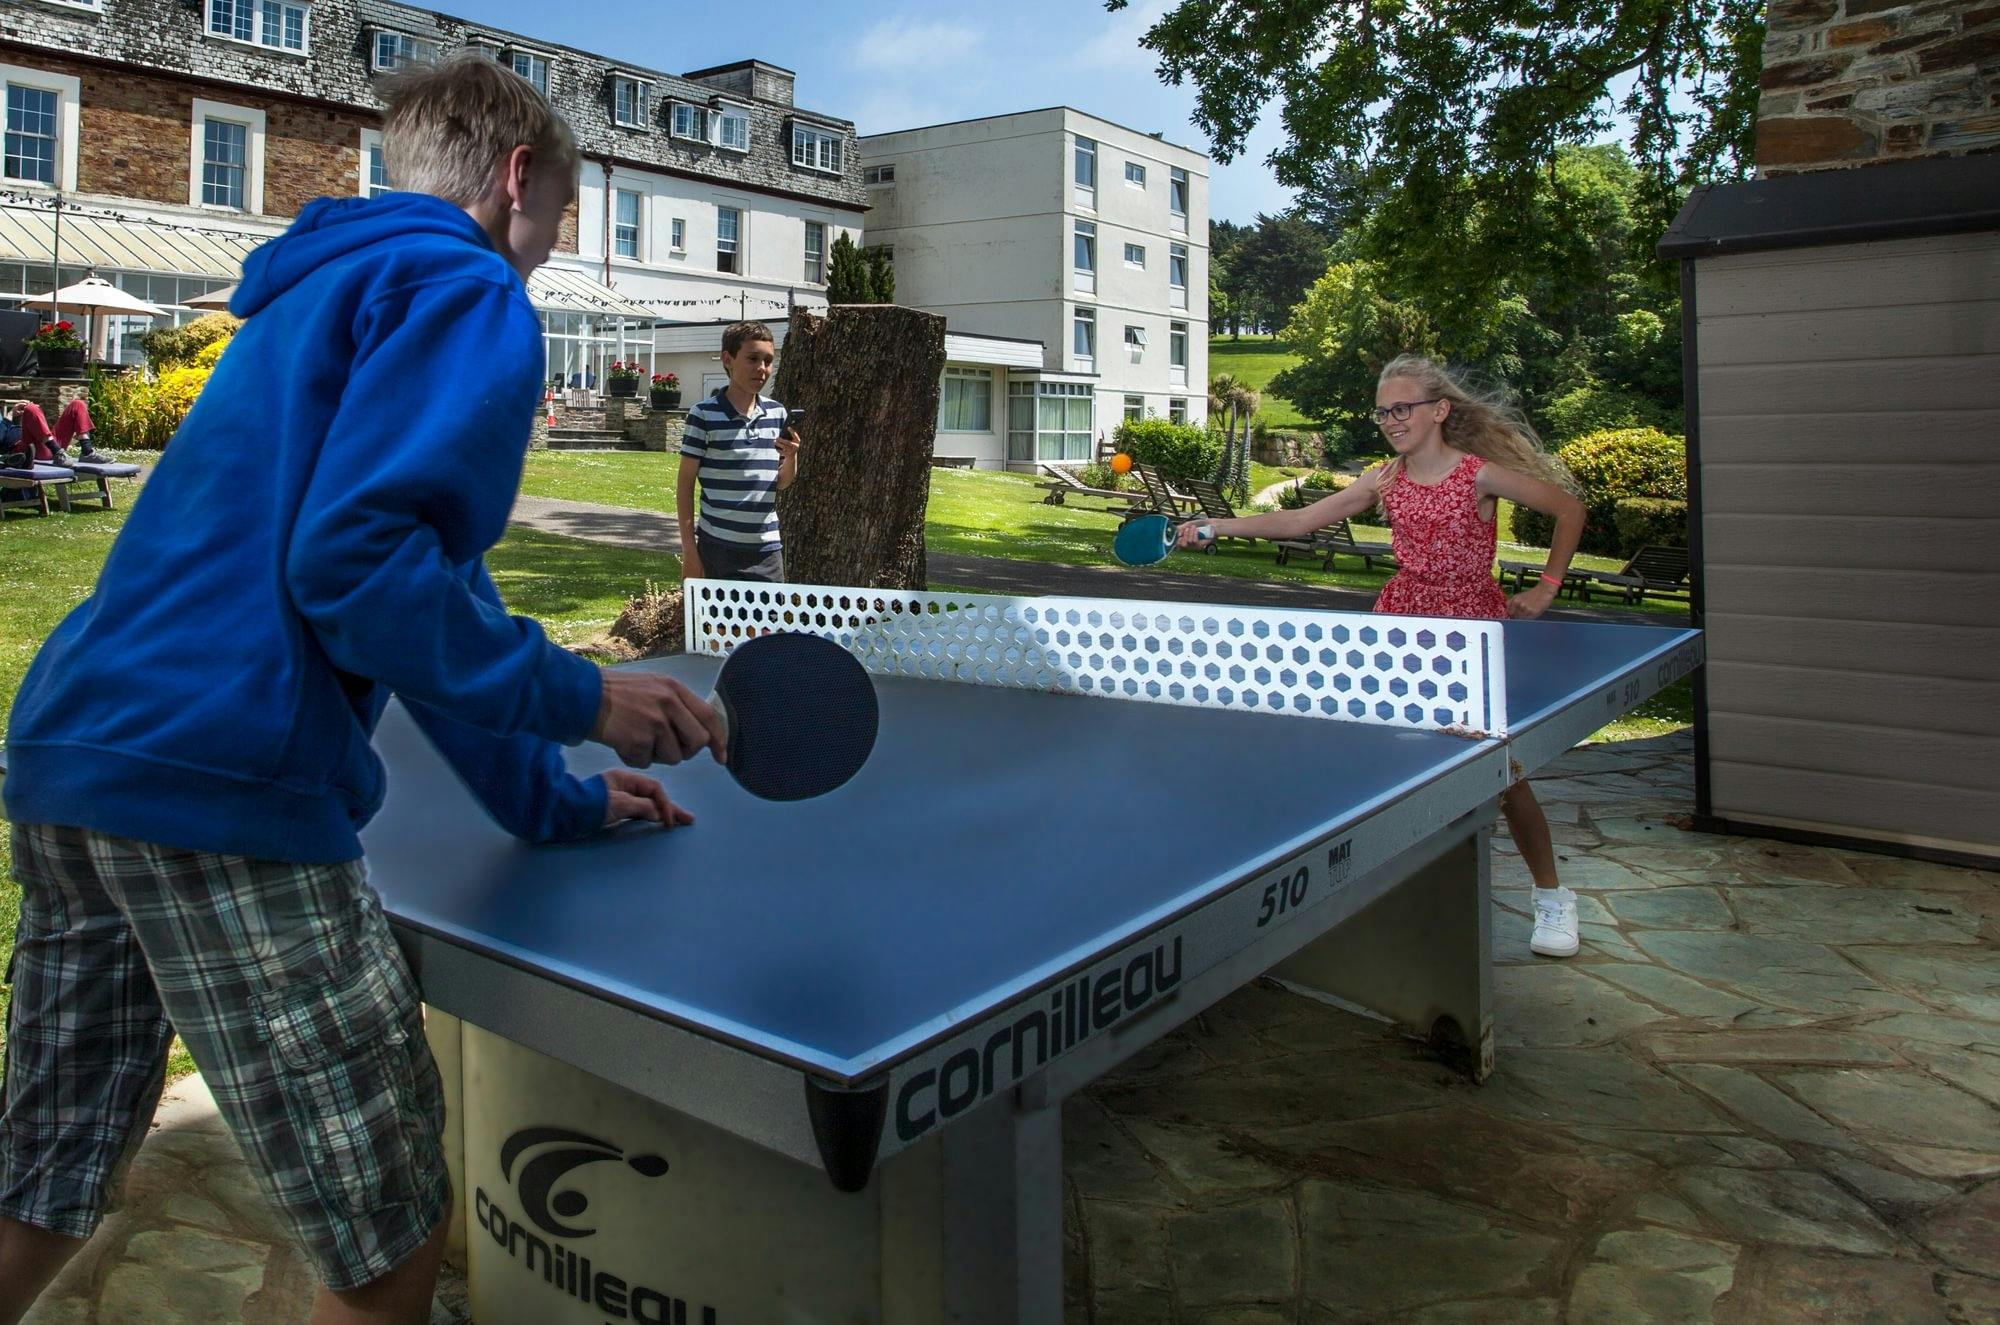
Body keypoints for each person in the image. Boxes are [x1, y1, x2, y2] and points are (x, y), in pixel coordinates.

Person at [0, 55, 726, 1325]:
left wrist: (552, 794)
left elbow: (411, 593)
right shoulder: (468, 286)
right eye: (556, 218)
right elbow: (360, 568)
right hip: (223, 785)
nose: (547, 254)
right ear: (515, 181)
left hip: (74, 758)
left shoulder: (310, 300)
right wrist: (588, 698)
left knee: (45, 1179)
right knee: (389, 1240)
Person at [1177, 353, 1589, 957]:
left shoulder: (1477, 474)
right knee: (1384, 757)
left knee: (1502, 772)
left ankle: (1553, 899)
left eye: (1402, 408)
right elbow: (1300, 520)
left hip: (1471, 630)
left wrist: (1546, 587)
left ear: (1439, 410)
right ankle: (1379, 887)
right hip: (1399, 626)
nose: (1391, 420)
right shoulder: (1382, 479)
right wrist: (1220, 526)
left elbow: (1568, 510)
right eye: (1383, 412)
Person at [676, 321, 801, 583]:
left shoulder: (777, 414)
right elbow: (685, 484)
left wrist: (791, 457)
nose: (762, 369)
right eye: (753, 358)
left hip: (767, 551)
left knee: (768, 626)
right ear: (727, 359)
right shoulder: (703, 415)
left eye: (768, 361)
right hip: (718, 548)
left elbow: (781, 483)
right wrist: (690, 551)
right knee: (721, 626)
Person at [0, 397, 107, 467]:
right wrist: (9, 416)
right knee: (30, 408)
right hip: (27, 450)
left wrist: (22, 415)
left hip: (48, 444)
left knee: (77, 404)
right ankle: (57, 453)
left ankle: (87, 452)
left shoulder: (15, 425)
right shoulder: (5, 423)